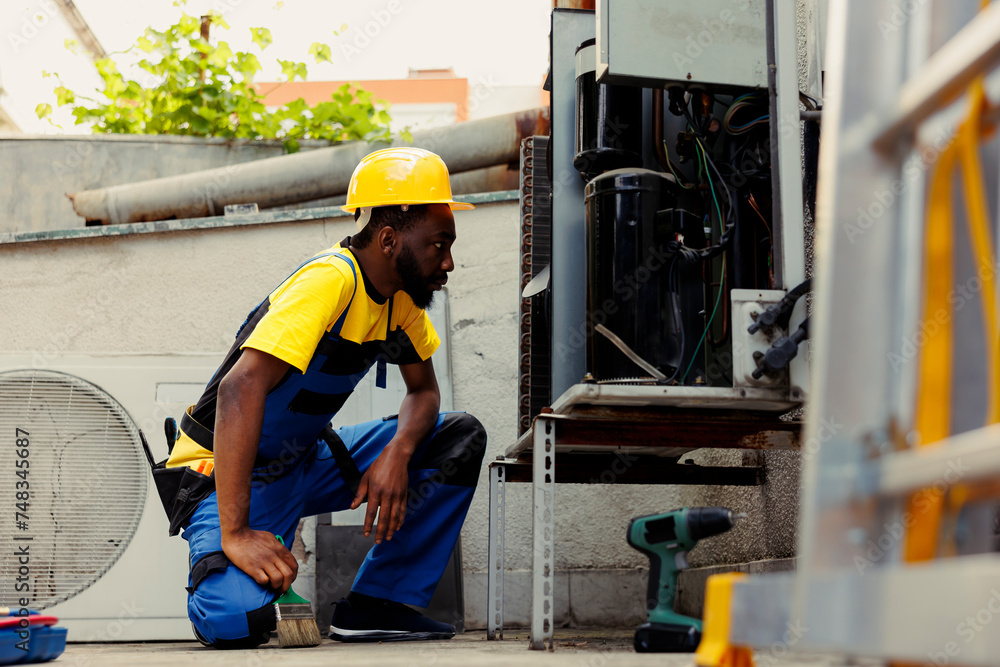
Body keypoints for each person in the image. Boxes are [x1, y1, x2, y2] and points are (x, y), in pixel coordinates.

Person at [158, 147, 487, 648]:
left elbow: (424, 392)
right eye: (439, 244)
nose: (449, 261)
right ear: (389, 238)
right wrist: (238, 532)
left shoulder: (401, 302)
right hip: (230, 475)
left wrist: (397, 454)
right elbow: (238, 389)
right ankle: (244, 556)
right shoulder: (331, 280)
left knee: (456, 437)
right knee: (233, 620)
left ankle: (378, 604)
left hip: (308, 463)